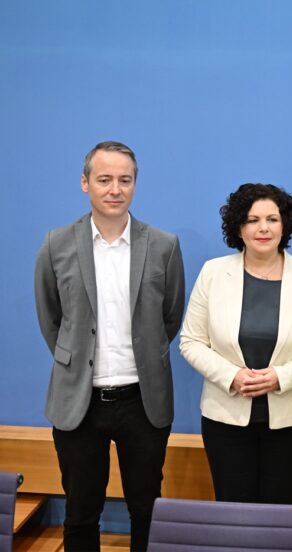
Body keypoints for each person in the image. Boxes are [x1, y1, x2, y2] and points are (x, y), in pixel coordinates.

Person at [34, 141, 185, 551]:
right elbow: (51, 320)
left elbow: (171, 317)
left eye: (124, 180)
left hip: (143, 399)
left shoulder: (164, 245)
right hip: (79, 403)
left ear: (135, 184)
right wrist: (77, 363)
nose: (115, 189)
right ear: (85, 183)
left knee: (146, 510)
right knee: (81, 513)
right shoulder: (56, 243)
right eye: (104, 179)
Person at [180, 183, 292, 505]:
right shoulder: (214, 273)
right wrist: (232, 376)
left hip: (290, 422)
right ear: (238, 227)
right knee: (234, 513)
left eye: (272, 219)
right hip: (225, 421)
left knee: (280, 513)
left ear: (284, 225)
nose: (263, 228)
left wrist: (281, 377)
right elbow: (191, 340)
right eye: (252, 219)